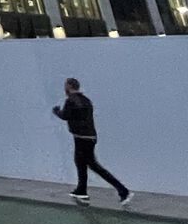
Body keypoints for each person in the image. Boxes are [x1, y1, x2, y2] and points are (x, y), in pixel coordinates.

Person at [53, 77, 131, 207]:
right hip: (89, 137)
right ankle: (81, 190)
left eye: (66, 86)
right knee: (80, 162)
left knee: (93, 165)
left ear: (69, 87)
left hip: (81, 138)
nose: (64, 89)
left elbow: (65, 116)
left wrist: (56, 111)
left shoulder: (71, 101)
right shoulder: (86, 100)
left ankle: (123, 190)